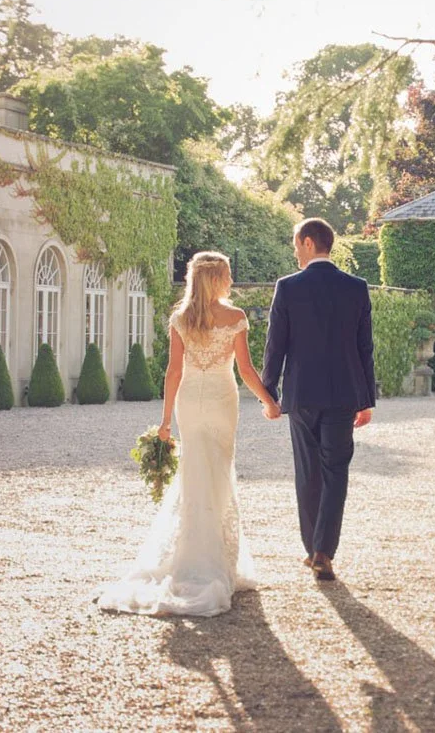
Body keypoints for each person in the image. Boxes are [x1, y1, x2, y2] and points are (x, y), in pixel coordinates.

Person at [95, 251, 281, 617]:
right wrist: (269, 401)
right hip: (221, 400)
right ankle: (212, 565)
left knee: (195, 474)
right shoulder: (235, 317)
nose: (230, 282)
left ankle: (194, 556)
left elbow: (173, 373)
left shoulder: (181, 318)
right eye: (226, 276)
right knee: (216, 474)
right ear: (216, 279)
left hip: (189, 403)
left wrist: (166, 421)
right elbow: (244, 369)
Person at [262, 218, 377, 582]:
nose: (294, 250)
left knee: (308, 472)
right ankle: (324, 551)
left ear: (309, 242)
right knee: (336, 471)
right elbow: (364, 348)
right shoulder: (356, 287)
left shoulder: (287, 287)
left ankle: (314, 548)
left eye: (296, 243)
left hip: (302, 393)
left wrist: (270, 392)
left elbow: (275, 345)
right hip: (344, 394)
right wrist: (367, 399)